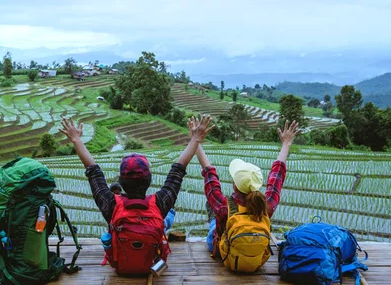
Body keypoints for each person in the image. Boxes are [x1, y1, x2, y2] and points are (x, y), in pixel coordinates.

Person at [59, 115, 213, 275]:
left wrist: (76, 139)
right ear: (149, 180)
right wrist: (196, 138)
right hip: (151, 267)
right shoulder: (159, 203)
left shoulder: (111, 205)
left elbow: (93, 172)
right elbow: (177, 171)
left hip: (121, 269)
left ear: (121, 181)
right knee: (166, 220)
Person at [195, 120, 301, 269]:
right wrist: (286, 144)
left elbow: (209, 175)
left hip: (224, 253)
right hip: (256, 259)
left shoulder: (224, 205)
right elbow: (277, 176)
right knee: (216, 212)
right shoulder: (266, 204)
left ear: (234, 184)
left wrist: (195, 141)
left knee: (214, 219)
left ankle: (214, 221)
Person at [108, 182, 176, 232]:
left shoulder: (120, 203)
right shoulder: (115, 205)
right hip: (141, 232)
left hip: (135, 232)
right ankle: (171, 211)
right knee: (165, 222)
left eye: (117, 193)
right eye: (114, 194)